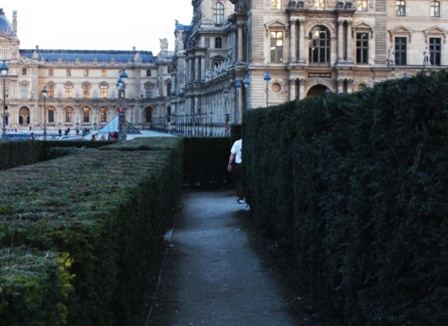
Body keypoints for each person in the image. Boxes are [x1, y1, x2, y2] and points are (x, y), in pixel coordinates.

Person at [227, 138, 244, 204]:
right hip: (244, 163)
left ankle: (239, 196)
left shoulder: (236, 142)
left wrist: (229, 164)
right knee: (243, 180)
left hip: (238, 163)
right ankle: (242, 197)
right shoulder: (246, 142)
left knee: (239, 180)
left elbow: (232, 154)